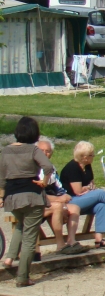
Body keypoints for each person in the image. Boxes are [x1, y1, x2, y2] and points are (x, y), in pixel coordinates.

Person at [0, 117, 54, 287]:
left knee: (21, 226)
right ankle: (23, 277)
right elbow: (48, 167)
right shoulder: (33, 150)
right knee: (30, 237)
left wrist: (1, 196)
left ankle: (9, 258)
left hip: (12, 196)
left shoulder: (5, 151)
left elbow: (1, 177)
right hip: (31, 196)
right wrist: (44, 181)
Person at [37, 138, 85, 254]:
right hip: (39, 203)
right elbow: (38, 194)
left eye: (48, 151)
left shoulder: (51, 168)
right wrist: (59, 200)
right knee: (58, 206)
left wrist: (64, 197)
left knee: (74, 208)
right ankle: (60, 244)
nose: (44, 153)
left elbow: (59, 188)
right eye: (41, 150)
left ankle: (71, 240)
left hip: (52, 201)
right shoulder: (33, 169)